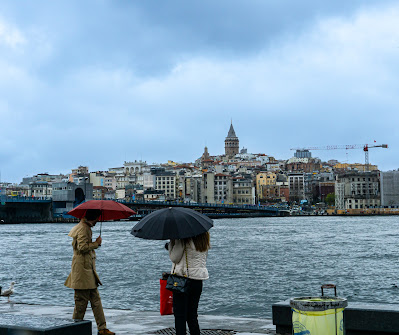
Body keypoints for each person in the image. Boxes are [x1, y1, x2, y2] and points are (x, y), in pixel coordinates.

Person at [64, 209, 115, 335]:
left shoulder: (83, 227)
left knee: (95, 300)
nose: (98, 221)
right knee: (81, 303)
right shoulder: (83, 229)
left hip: (87, 271)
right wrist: (96, 244)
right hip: (83, 272)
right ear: (94, 217)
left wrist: (94, 244)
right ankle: (76, 328)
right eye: (97, 218)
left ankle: (102, 328)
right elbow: (82, 247)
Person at [167, 232, 210, 335]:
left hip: (183, 280)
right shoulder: (204, 238)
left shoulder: (182, 237)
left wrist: (171, 244)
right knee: (192, 315)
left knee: (180, 316)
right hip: (198, 280)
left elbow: (174, 258)